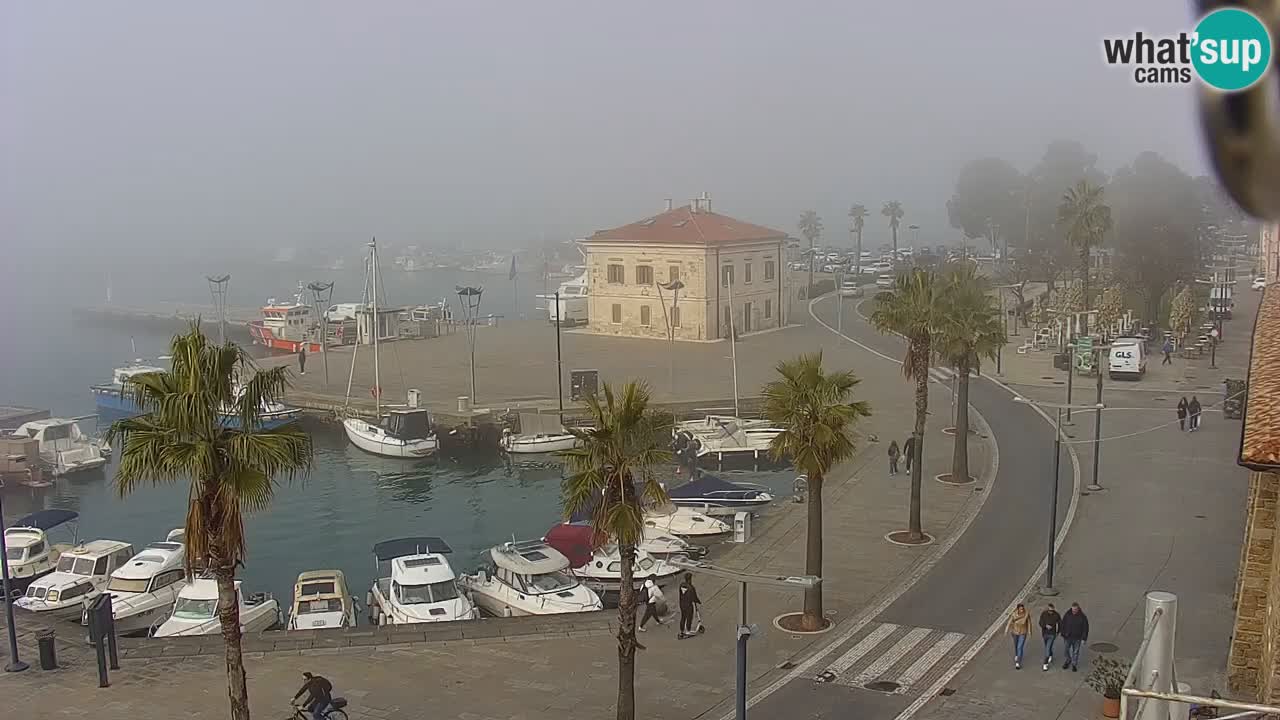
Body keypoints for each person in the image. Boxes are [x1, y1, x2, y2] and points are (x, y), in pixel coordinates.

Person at [1060, 602, 1090, 671]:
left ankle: (1074, 664)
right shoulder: (1067, 614)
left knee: (1075, 652)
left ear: (1078, 609)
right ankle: (1068, 660)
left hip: (1077, 638)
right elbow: (1063, 624)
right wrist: (1063, 633)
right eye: (1073, 609)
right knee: (1066, 651)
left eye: (1075, 610)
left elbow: (1085, 628)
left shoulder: (1082, 617)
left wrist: (1084, 639)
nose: (1074, 611)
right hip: (1068, 637)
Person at [1006, 603, 1031, 669]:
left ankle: (1018, 662)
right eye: (1020, 609)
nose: (1022, 610)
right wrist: (1006, 630)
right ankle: (1017, 655)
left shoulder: (1026, 614)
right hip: (1015, 632)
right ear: (1018, 609)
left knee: (1020, 647)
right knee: (1016, 646)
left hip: (1023, 633)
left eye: (1022, 609)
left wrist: (1029, 631)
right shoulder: (1014, 614)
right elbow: (1009, 621)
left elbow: (1029, 622)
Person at [677, 573, 701, 639]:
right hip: (688, 605)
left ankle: (682, 631)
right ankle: (688, 631)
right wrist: (698, 601)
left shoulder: (681, 585)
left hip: (682, 604)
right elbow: (694, 597)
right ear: (690, 579)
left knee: (683, 617)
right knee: (689, 618)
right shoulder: (691, 587)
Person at [1039, 603, 1061, 671]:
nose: (1051, 612)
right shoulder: (1044, 614)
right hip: (1045, 634)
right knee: (1048, 647)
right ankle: (1050, 655)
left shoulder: (1056, 615)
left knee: (1047, 649)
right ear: (1047, 610)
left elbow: (1060, 623)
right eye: (1050, 610)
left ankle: (1045, 664)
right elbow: (1040, 622)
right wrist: (1045, 626)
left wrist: (1058, 632)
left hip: (1052, 634)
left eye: (1052, 611)